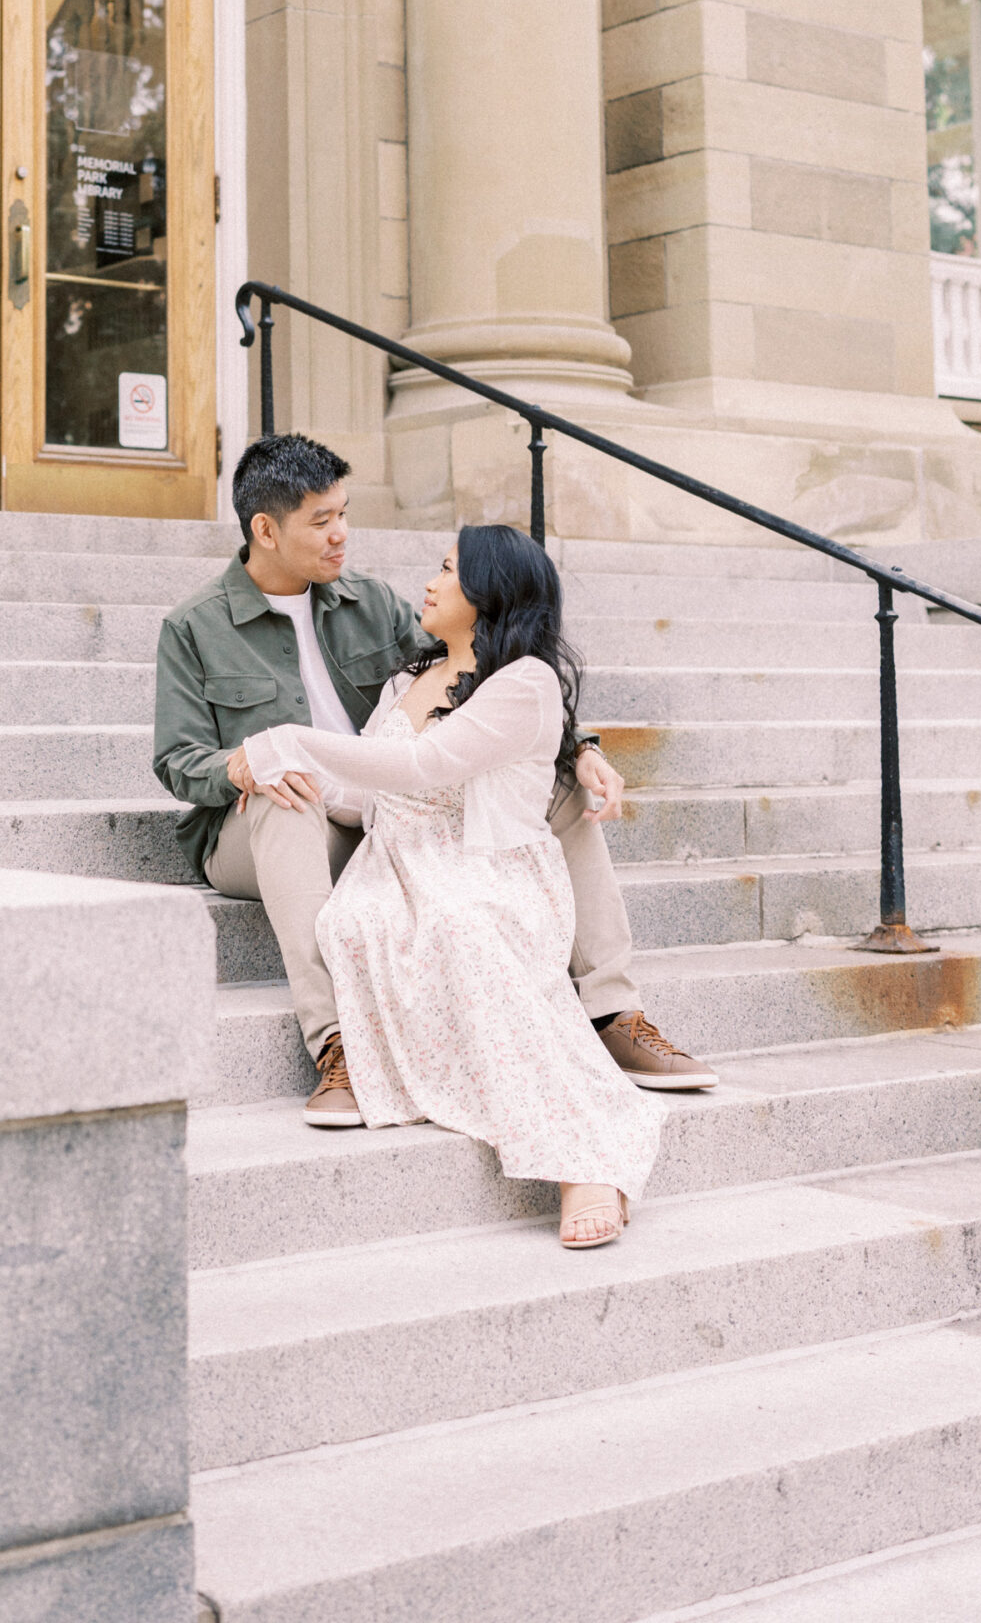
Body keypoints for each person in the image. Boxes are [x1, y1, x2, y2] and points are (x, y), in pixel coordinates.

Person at [152, 433, 716, 1130]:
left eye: (343, 513)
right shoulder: (194, 626)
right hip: (255, 830)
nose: (341, 535)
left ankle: (611, 1009)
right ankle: (337, 1046)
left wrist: (575, 748)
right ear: (265, 529)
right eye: (321, 522)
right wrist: (236, 765)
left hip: (380, 808)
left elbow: (478, 678)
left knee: (559, 788)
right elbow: (176, 760)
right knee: (286, 791)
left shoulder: (369, 603)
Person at [241, 524, 665, 1247]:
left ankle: (586, 1158)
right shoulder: (405, 682)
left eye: (447, 571)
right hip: (393, 862)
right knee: (353, 922)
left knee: (461, 925)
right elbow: (364, 796)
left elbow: (421, 767)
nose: (430, 583)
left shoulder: (524, 684)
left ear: (489, 591)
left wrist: (290, 739)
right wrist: (297, 784)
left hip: (481, 864)